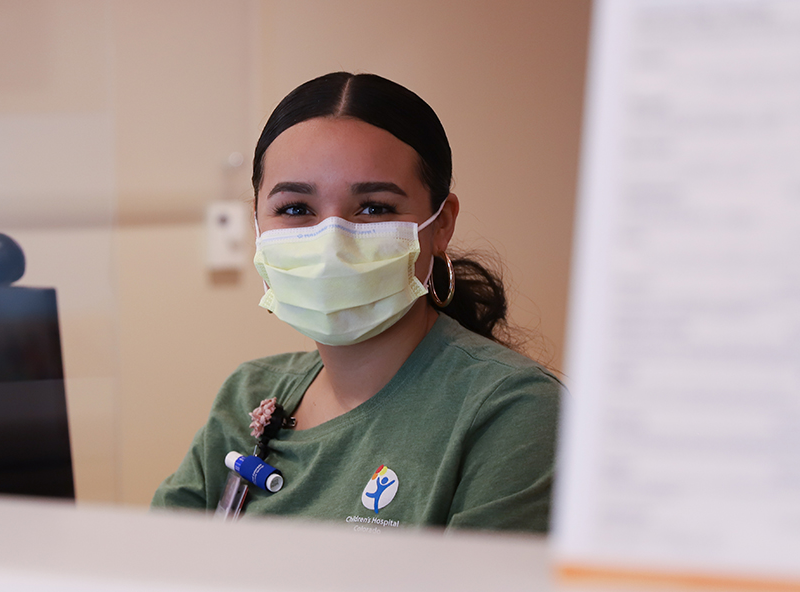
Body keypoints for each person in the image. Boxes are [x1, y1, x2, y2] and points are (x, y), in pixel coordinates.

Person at [152, 72, 561, 532]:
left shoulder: (513, 414)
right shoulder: (248, 396)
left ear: (440, 225)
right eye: (294, 209)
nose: (332, 241)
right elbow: (149, 565)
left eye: (374, 208)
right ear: (257, 223)